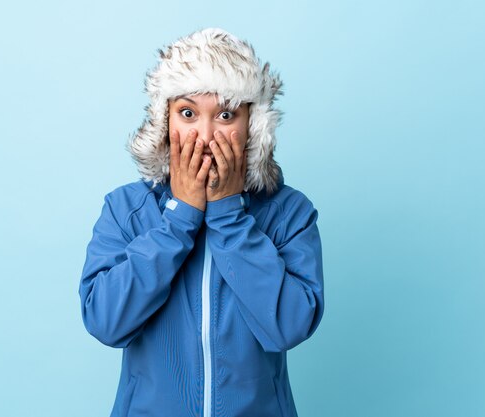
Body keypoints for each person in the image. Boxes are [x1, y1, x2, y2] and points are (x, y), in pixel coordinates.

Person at [78, 27, 325, 417]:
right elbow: (106, 322)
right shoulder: (126, 208)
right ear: (165, 121)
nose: (206, 135)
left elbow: (289, 326)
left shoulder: (289, 213)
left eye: (226, 114)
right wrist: (179, 219)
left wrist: (228, 214)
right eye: (188, 113)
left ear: (252, 126)